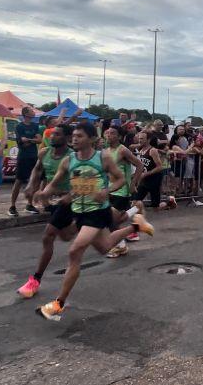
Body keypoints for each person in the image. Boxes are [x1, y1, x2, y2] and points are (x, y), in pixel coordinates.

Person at [35, 122, 153, 320]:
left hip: (98, 211)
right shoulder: (68, 160)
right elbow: (54, 184)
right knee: (105, 247)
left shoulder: (102, 157)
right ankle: (136, 225)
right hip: (79, 211)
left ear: (91, 139)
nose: (74, 139)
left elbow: (119, 179)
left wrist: (106, 191)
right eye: (73, 136)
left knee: (75, 251)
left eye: (79, 136)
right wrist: (43, 193)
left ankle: (58, 304)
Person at [16, 124, 76, 298]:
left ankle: (34, 281)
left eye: (57, 134)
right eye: (51, 134)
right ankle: (82, 225)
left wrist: (70, 196)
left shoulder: (72, 157)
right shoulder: (44, 152)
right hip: (53, 200)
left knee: (48, 235)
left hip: (69, 200)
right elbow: (37, 169)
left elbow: (81, 181)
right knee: (65, 236)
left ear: (67, 137)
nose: (52, 137)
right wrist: (30, 185)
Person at [102, 126, 145, 258]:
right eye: (107, 133)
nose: (109, 135)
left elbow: (140, 165)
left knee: (112, 220)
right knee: (114, 220)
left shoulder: (123, 150)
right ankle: (136, 209)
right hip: (110, 189)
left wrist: (133, 183)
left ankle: (120, 246)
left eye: (113, 133)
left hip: (122, 190)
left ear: (119, 137)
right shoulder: (105, 151)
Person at [8, 107, 42, 217]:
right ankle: (12, 206)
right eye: (31, 111)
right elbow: (21, 143)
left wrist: (29, 140)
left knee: (34, 181)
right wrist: (32, 140)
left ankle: (29, 204)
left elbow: (39, 140)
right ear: (26, 113)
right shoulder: (19, 126)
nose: (34, 112)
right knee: (19, 181)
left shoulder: (35, 126)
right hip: (23, 157)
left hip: (34, 156)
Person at [131, 130, 167, 214]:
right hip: (144, 180)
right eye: (139, 138)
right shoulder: (140, 150)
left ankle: (169, 202)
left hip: (154, 180)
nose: (140, 140)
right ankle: (136, 219)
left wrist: (146, 174)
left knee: (156, 208)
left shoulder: (152, 150)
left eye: (142, 139)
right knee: (135, 202)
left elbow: (160, 167)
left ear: (148, 140)